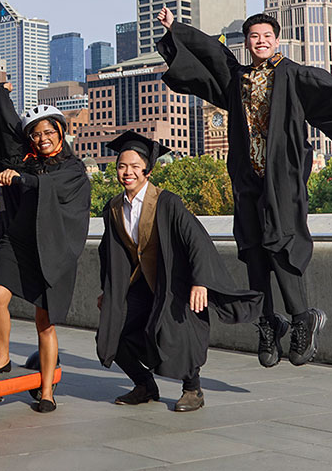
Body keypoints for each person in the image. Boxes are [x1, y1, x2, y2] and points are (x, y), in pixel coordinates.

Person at [155, 9, 332, 368]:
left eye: (267, 35)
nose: (261, 41)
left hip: (282, 178)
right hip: (246, 177)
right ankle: (268, 322)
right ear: (246, 42)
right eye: (254, 36)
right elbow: (210, 54)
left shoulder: (293, 74)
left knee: (281, 243)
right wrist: (176, 28)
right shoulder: (236, 78)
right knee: (253, 248)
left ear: (277, 39)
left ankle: (302, 317)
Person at [96, 131, 262, 411]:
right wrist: (108, 291)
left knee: (180, 329)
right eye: (122, 166)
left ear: (147, 171)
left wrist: (200, 282)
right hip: (139, 284)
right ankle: (144, 385)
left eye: (135, 167)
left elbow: (196, 239)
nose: (128, 172)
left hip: (172, 280)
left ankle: (193, 390)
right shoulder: (113, 208)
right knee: (113, 332)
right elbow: (109, 252)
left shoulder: (167, 202)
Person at [0, 83, 91, 413]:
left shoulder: (72, 169)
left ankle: (46, 390)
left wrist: (24, 180)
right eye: (37, 134)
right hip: (18, 242)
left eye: (48, 132)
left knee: (45, 322)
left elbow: (50, 186)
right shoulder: (24, 161)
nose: (42, 139)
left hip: (50, 248)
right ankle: (2, 357)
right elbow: (6, 129)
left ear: (60, 132)